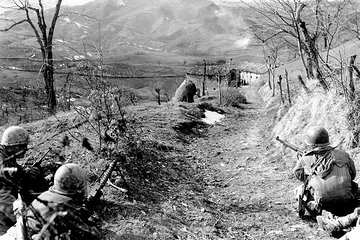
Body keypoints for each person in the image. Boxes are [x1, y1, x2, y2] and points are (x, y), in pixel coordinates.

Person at [0, 163, 100, 240]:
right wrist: (89, 218)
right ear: (77, 187)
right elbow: (92, 235)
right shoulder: (65, 204)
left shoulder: (45, 195)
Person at [293, 126, 357, 218]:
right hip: (347, 202)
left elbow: (300, 176)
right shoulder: (344, 155)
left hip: (323, 205)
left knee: (300, 190)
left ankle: (320, 211)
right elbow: (353, 175)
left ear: (311, 144)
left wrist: (303, 162)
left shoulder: (306, 158)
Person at [0, 126, 48, 235]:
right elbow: (2, 196)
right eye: (23, 146)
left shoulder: (7, 157)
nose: (26, 149)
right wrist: (23, 216)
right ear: (12, 147)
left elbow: (14, 172)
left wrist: (26, 173)